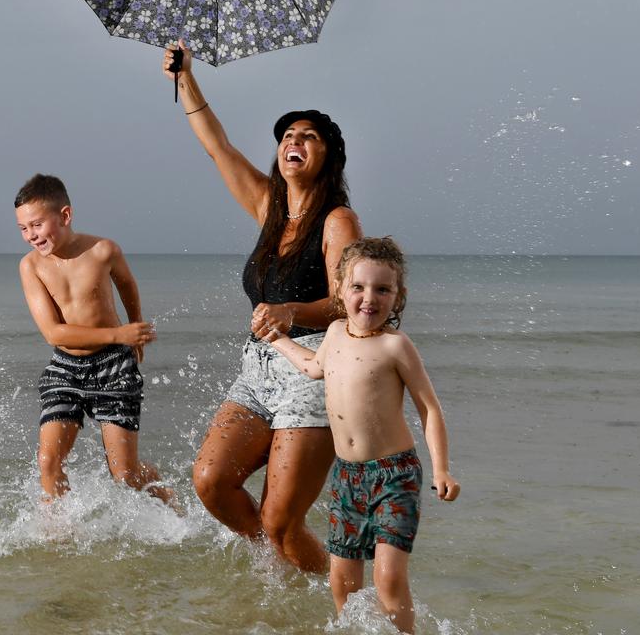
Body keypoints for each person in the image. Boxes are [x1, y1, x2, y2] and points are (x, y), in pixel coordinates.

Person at [162, 40, 362, 572]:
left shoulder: (337, 221)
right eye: (287, 136)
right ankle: (281, 571)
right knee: (210, 480)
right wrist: (185, 78)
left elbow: (350, 304)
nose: (293, 141)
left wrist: (293, 312)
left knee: (281, 520)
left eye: (308, 137)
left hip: (314, 369)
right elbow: (217, 146)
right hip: (258, 369)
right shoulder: (268, 208)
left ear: (327, 156)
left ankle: (336, 601)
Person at [264, 237, 460, 633]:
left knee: (387, 578)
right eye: (358, 287)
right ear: (340, 289)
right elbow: (313, 368)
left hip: (395, 476)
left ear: (398, 297)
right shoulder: (334, 332)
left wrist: (442, 470)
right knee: (343, 581)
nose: (369, 298)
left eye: (382, 289)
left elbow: (429, 408)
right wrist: (279, 341)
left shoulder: (395, 346)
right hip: (348, 478)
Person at [14, 174, 172, 504]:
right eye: (23, 228)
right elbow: (52, 333)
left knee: (124, 475)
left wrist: (136, 325)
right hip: (65, 367)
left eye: (37, 225)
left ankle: (162, 491)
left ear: (65, 216)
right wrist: (121, 332)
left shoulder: (103, 250)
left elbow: (127, 285)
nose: (31, 235)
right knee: (48, 462)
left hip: (114, 365)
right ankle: (59, 536)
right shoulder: (31, 267)